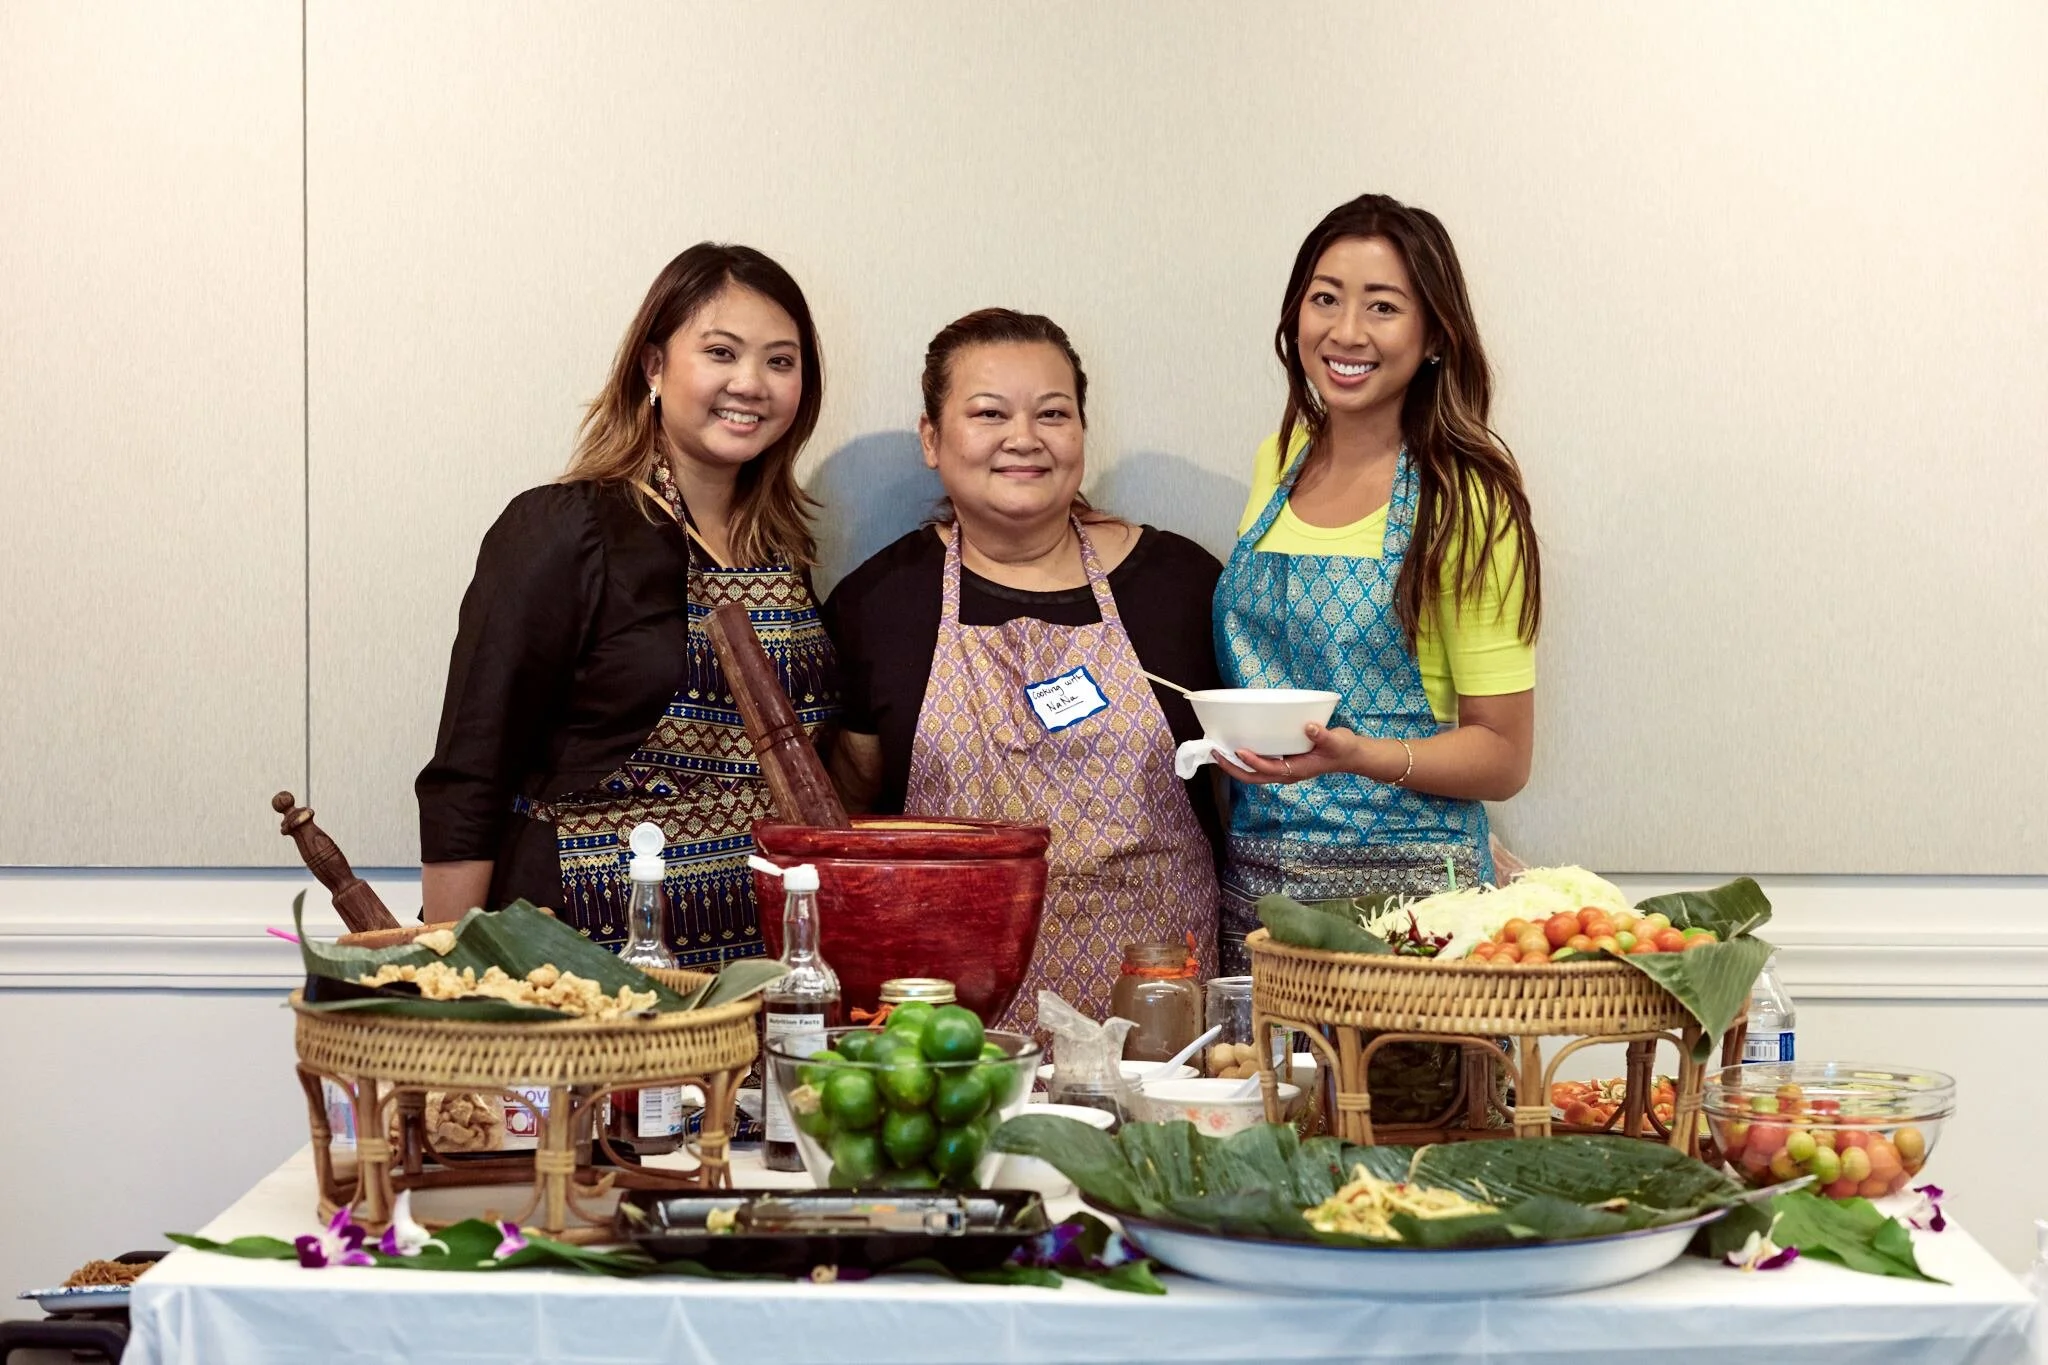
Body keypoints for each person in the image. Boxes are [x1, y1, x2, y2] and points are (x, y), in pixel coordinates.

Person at [415, 243, 839, 965]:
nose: (751, 383)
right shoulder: (564, 529)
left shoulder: (785, 551)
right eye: (721, 352)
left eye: (780, 361)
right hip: (582, 946)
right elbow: (469, 768)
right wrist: (454, 974)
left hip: (757, 960)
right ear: (653, 366)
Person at [825, 309, 1222, 1033]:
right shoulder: (878, 604)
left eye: (1052, 413)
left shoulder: (1182, 587)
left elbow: (1241, 798)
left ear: (1081, 433)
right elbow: (853, 821)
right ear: (931, 439)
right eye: (988, 413)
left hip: (1165, 1037)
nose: (1024, 439)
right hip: (951, 1042)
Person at [1213, 194, 1541, 974]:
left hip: (1414, 911)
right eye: (1325, 298)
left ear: (1433, 335)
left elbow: (1503, 754)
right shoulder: (1279, 459)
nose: (1346, 331)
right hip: (1260, 897)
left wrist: (1359, 754)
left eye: (1383, 306)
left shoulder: (1465, 500)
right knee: (1264, 1097)